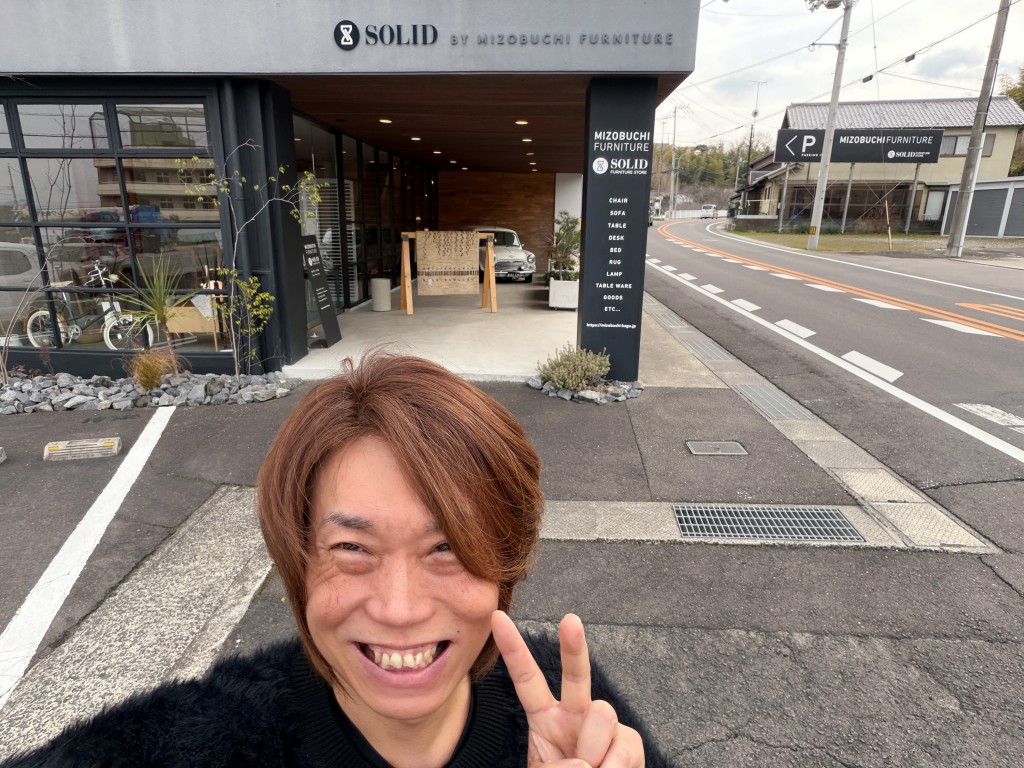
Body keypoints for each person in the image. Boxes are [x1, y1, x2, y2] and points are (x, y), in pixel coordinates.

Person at [6, 351, 668, 768]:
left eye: (446, 547)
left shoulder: (580, 723)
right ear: (297, 564)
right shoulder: (192, 741)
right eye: (352, 549)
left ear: (504, 563)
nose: (400, 609)